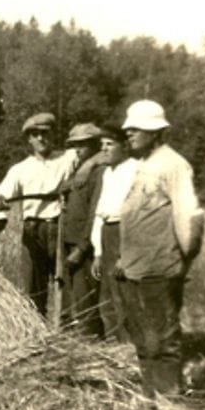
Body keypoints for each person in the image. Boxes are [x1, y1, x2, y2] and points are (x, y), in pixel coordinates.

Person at [116, 100, 204, 397]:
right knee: (142, 336)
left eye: (136, 128)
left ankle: (169, 399)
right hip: (134, 266)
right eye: (128, 128)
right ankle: (151, 395)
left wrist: (182, 261)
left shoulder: (174, 165)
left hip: (159, 266)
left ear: (155, 132)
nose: (128, 133)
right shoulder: (144, 165)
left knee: (162, 337)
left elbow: (189, 216)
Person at [0, 113, 78, 316]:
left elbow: (96, 152)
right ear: (29, 139)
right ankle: (37, 332)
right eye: (35, 134)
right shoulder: (19, 169)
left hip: (62, 227)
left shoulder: (68, 158)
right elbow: (2, 194)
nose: (41, 138)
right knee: (32, 286)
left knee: (66, 282)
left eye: (45, 133)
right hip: (34, 229)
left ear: (53, 135)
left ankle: (66, 332)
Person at [89, 125, 138, 341]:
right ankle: (118, 347)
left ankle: (133, 349)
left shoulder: (135, 169)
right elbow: (101, 213)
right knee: (109, 298)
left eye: (110, 144)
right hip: (107, 234)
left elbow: (137, 214)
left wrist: (125, 253)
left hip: (125, 233)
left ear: (124, 146)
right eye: (102, 145)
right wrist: (98, 252)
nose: (104, 149)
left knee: (127, 297)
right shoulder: (107, 173)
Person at [59, 123, 106, 336]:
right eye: (74, 145)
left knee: (87, 298)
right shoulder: (79, 168)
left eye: (83, 145)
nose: (77, 150)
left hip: (84, 246)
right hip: (70, 242)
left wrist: (82, 247)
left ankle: (91, 342)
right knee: (75, 297)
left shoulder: (99, 171)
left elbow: (95, 212)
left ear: (95, 145)